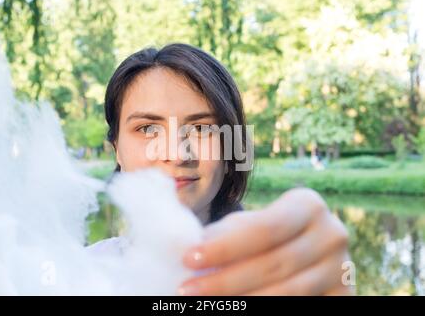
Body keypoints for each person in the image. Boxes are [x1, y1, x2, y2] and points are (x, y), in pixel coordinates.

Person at [88, 43, 353, 295]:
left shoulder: (279, 278)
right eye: (148, 129)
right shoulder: (79, 273)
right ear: (117, 151)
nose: (178, 154)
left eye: (201, 129)